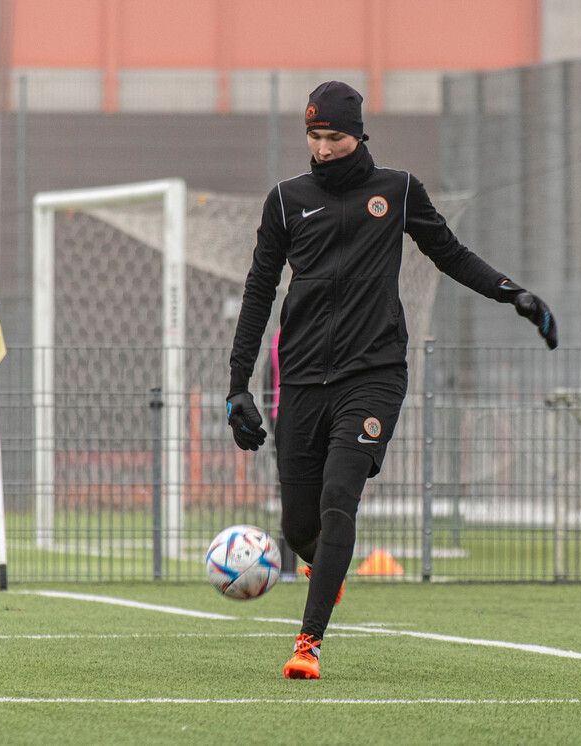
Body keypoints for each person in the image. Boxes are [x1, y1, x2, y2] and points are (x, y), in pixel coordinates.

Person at [225, 81, 557, 679]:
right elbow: (257, 290)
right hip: (298, 378)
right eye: (314, 136)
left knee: (337, 500)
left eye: (334, 137)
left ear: (359, 136)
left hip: (373, 374)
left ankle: (308, 643)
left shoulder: (398, 191)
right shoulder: (284, 201)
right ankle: (325, 566)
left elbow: (450, 253)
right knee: (301, 525)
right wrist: (237, 384)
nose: (322, 148)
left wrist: (513, 294)